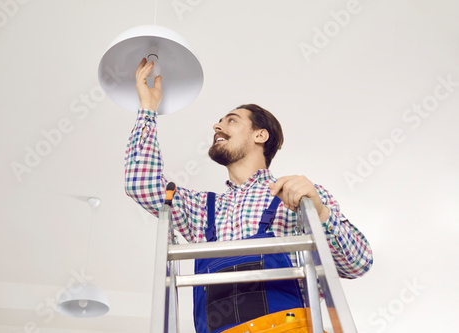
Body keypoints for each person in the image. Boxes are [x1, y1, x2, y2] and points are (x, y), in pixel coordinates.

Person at [124, 58, 373, 332]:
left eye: (231, 120)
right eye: (218, 122)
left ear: (260, 135)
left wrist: (321, 211)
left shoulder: (297, 196)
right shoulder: (202, 209)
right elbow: (141, 184)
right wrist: (148, 109)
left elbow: (357, 264)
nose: (217, 127)